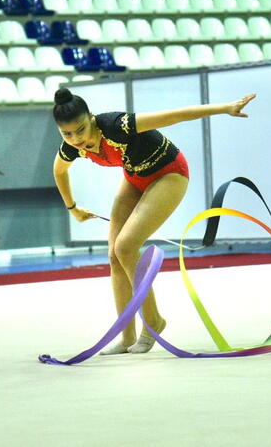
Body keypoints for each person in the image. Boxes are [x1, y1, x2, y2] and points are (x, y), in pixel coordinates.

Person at [52, 87, 256, 355]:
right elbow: (59, 171)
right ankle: (126, 336)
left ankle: (153, 322)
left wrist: (224, 108)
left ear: (90, 117)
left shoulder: (117, 125)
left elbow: (173, 116)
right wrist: (73, 208)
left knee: (125, 247)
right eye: (67, 133)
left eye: (80, 130)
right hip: (135, 178)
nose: (76, 139)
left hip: (168, 173)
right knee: (114, 255)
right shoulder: (71, 147)